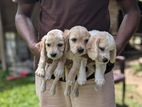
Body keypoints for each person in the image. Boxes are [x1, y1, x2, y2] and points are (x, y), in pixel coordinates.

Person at [15, 0, 140, 107]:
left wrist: (116, 47)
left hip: (95, 73)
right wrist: (33, 46)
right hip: (51, 72)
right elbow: (22, 14)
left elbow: (132, 11)